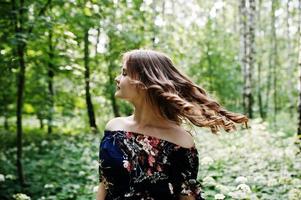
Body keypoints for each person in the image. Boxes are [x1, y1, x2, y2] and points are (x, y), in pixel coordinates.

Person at [96, 49, 248, 200]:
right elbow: (104, 184)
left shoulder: (180, 141)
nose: (117, 78)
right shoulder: (114, 129)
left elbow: (186, 195)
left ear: (143, 82)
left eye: (124, 73)